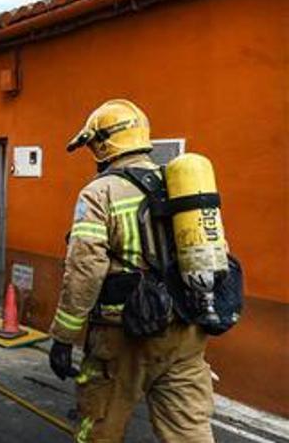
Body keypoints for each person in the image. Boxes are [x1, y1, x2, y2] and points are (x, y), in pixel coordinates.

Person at [49, 99, 214, 442]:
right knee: (190, 432)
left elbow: (85, 268)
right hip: (186, 329)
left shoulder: (100, 192)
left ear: (102, 144)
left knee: (98, 426)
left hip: (123, 335)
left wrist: (64, 337)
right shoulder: (179, 184)